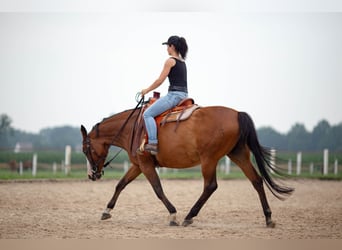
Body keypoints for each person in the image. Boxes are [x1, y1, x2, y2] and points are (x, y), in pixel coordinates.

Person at [140, 35, 188, 155]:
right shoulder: (182, 62)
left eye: (167, 46)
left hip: (174, 96)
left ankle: (152, 143)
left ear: (172, 46)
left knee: (147, 114)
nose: (166, 49)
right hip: (184, 95)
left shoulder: (170, 61)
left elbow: (159, 80)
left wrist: (146, 90)